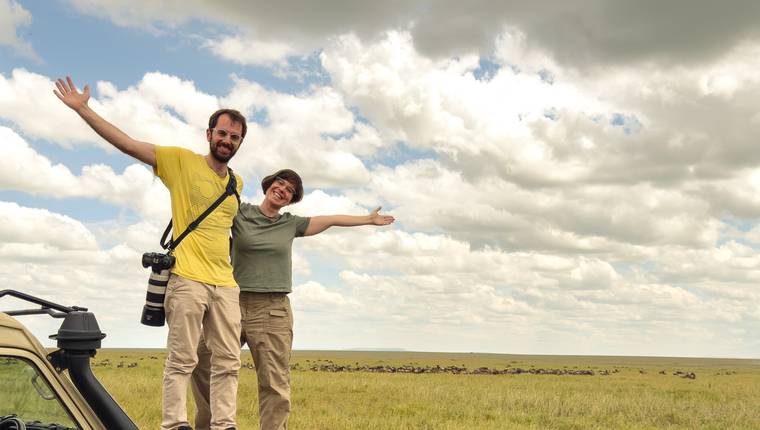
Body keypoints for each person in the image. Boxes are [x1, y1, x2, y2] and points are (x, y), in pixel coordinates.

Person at [54, 76, 246, 430]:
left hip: (225, 283)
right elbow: (127, 144)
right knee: (182, 359)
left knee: (229, 361)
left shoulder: (236, 183)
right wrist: (84, 110)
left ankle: (224, 424)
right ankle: (175, 425)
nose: (227, 141)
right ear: (209, 135)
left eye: (234, 137)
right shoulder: (180, 161)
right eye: (222, 133)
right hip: (187, 277)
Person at [192, 169, 395, 430]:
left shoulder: (290, 224)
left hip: (272, 311)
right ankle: (209, 425)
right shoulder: (241, 212)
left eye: (289, 190)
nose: (282, 190)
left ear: (291, 199)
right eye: (280, 183)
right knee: (202, 361)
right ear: (269, 185)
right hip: (230, 303)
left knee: (274, 382)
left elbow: (330, 219)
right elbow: (212, 206)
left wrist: (367, 219)